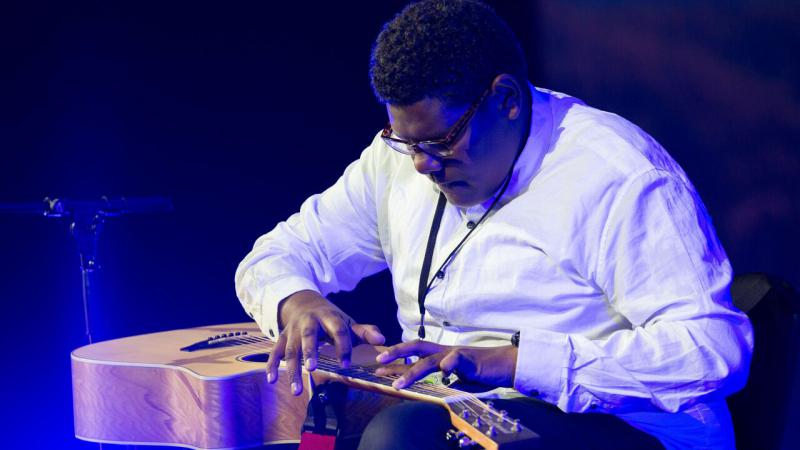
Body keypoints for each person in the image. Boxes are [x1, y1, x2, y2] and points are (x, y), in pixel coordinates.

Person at [235, 1, 753, 448]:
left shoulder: (620, 176)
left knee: (403, 438)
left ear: (507, 100)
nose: (422, 165)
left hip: (627, 428)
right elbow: (273, 257)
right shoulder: (400, 160)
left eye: (440, 142)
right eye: (406, 143)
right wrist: (296, 300)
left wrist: (517, 362)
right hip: (456, 408)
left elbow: (713, 349)